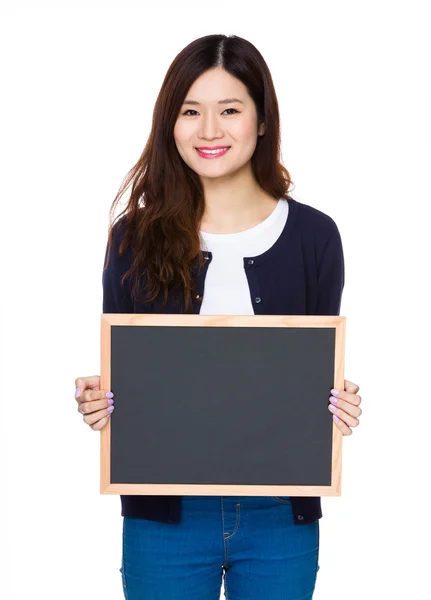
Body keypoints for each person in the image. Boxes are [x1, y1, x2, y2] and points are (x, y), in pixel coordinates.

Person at [74, 33, 363, 600]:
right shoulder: (133, 236)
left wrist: (336, 401)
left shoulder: (315, 237)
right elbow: (127, 372)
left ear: (260, 120)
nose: (209, 131)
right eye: (190, 112)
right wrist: (100, 399)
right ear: (170, 123)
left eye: (230, 110)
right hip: (165, 520)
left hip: (280, 516)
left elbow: (313, 368)